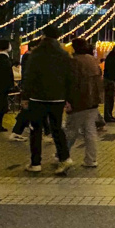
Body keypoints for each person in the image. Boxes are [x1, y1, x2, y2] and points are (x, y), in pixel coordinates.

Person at [19, 26, 74, 174]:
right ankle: (65, 158)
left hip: (37, 97)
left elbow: (29, 76)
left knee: (36, 130)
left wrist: (25, 96)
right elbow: (70, 77)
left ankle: (35, 163)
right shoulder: (64, 55)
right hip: (58, 98)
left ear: (43, 36)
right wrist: (68, 98)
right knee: (57, 129)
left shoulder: (36, 54)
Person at [64, 38, 104, 168]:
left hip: (79, 100)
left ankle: (62, 156)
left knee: (71, 130)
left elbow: (71, 82)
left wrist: (67, 99)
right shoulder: (92, 61)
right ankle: (91, 159)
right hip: (93, 101)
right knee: (90, 131)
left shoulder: (73, 62)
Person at [102, 45, 115, 123]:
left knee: (109, 99)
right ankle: (108, 115)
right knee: (109, 98)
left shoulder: (110, 56)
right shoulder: (114, 58)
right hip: (111, 80)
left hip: (108, 79)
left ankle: (109, 115)